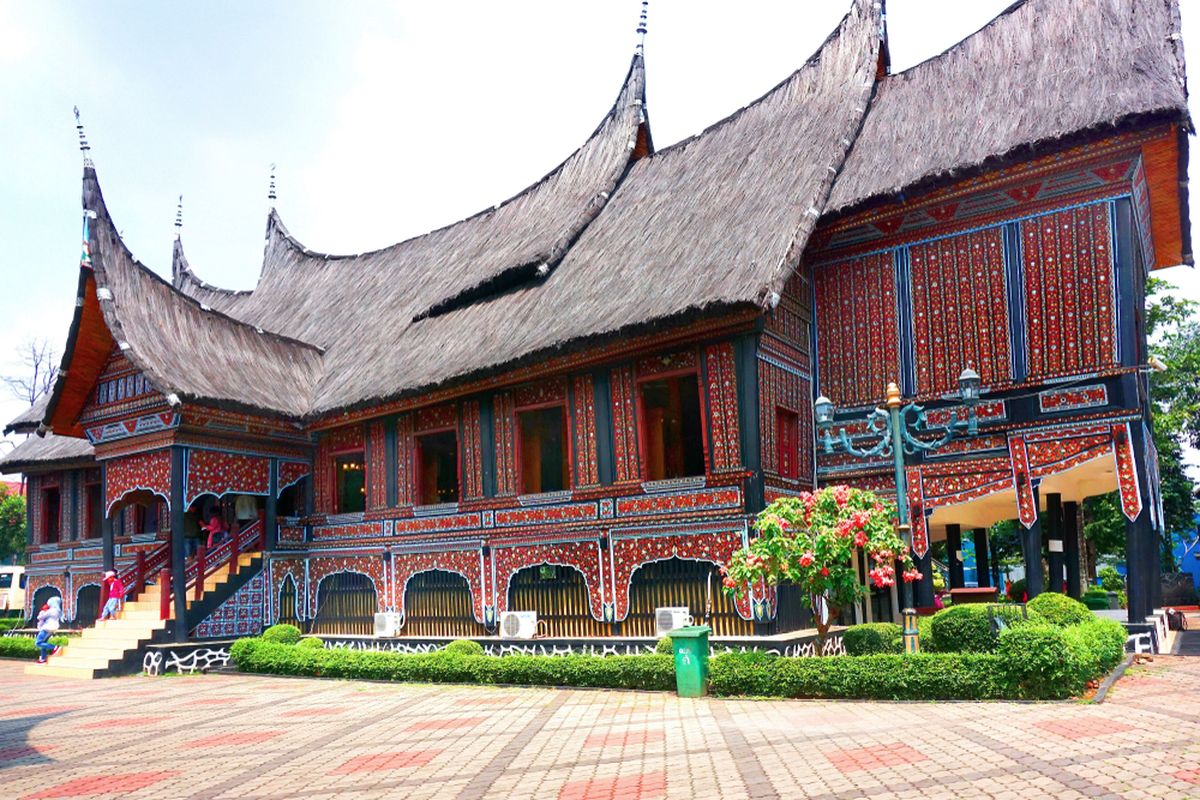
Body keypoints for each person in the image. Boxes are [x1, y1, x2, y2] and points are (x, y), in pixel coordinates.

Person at [35, 596, 62, 664]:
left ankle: (55, 647)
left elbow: (40, 617)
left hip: (47, 628)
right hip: (52, 628)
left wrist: (42, 612)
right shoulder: (57, 611)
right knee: (44, 643)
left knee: (38, 643)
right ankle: (43, 659)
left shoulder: (51, 610)